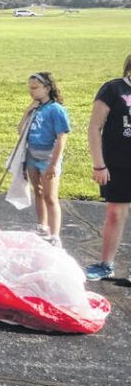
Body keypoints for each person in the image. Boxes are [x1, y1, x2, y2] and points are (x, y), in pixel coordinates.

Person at [84, 54, 131, 281]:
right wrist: (99, 165)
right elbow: (94, 128)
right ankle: (106, 264)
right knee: (116, 213)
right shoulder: (113, 89)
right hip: (118, 165)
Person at [18, 72, 70, 247]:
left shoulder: (56, 109)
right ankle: (42, 226)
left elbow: (62, 137)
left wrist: (54, 164)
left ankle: (55, 235)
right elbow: (21, 131)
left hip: (47, 158)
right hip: (32, 155)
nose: (31, 92)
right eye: (29, 88)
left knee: (50, 196)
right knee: (38, 192)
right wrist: (27, 111)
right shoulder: (36, 108)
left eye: (35, 88)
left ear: (47, 88)